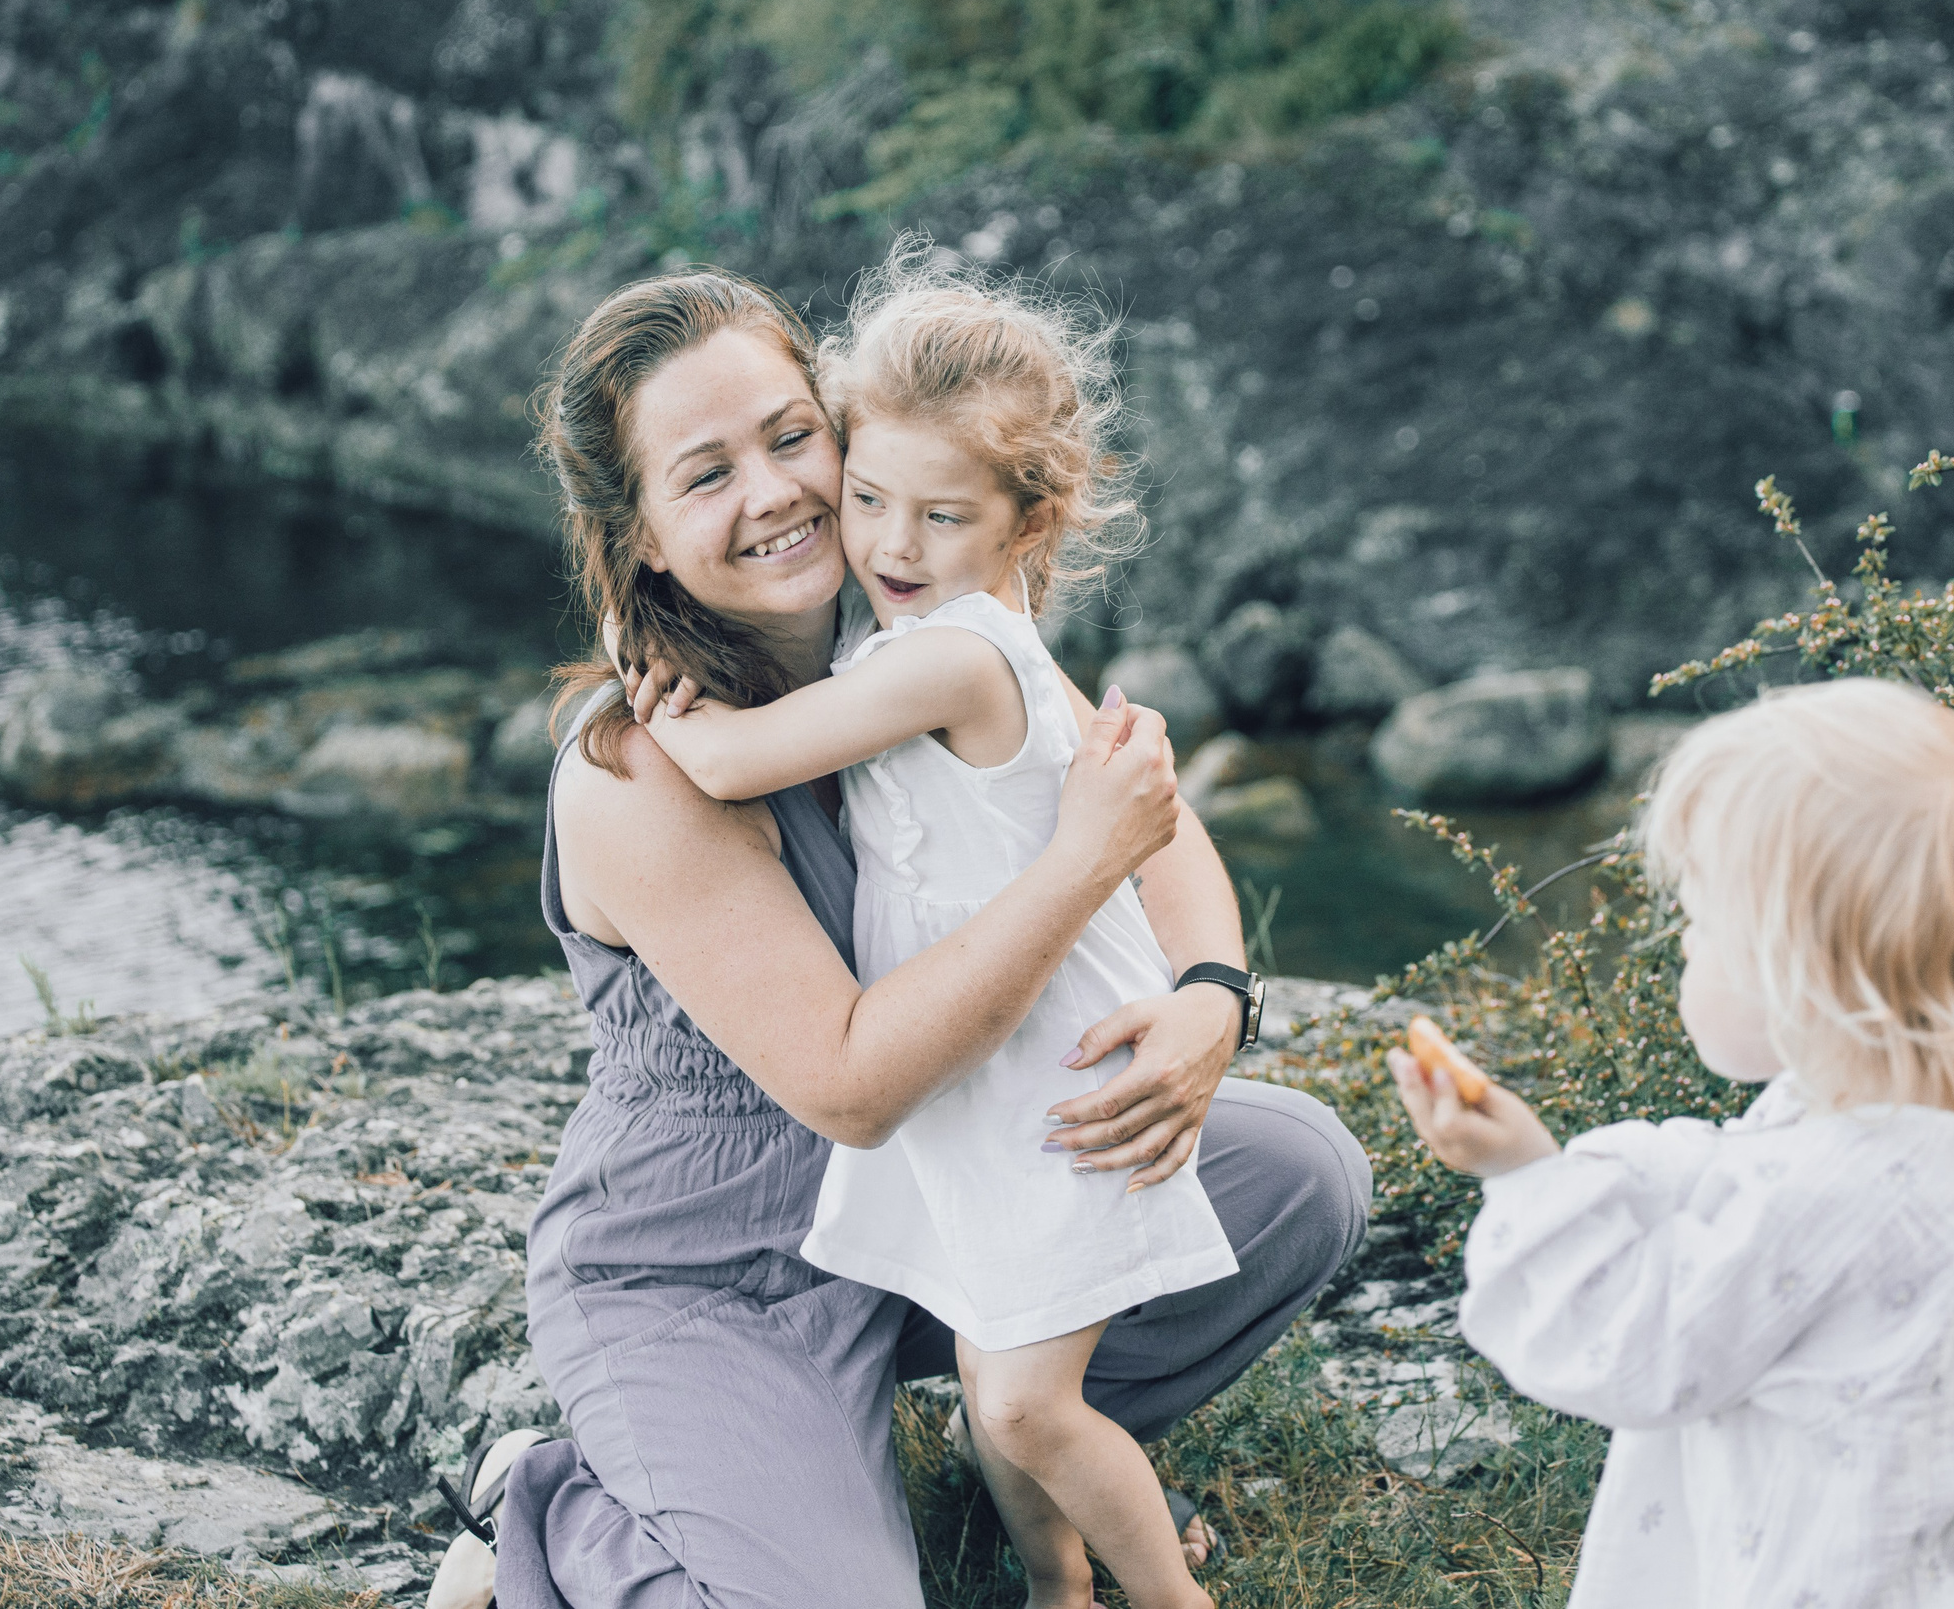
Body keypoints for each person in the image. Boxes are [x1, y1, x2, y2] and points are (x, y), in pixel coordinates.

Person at [490, 264, 1373, 1609]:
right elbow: (850, 1081)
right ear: (647, 534)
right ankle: (557, 1503)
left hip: (943, 1179)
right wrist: (1078, 866)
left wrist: (1209, 995)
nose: (777, 490)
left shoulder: (911, 616)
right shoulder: (640, 764)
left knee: (1300, 1171)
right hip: (711, 1269)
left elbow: (1146, 806)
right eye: (706, 472)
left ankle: (1031, 1433)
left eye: (792, 435)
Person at [636, 254, 1229, 1609]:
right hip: (983, 1086)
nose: (892, 546)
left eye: (942, 515)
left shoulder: (956, 653)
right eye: (866, 499)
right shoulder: (928, 627)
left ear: (1033, 522)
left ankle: (1163, 1594)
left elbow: (740, 762)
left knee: (1022, 1400)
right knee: (989, 1371)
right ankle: (1054, 1585)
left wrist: (642, 660)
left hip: (1049, 1084)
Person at [1390, 679, 1954, 1607]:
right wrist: (1581, 1162)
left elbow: (1629, 1345)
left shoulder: (1828, 1188)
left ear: (1807, 970)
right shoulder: (1944, 1122)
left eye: (1704, 925)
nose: (1686, 950)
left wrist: (1528, 1181)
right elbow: (1736, 1168)